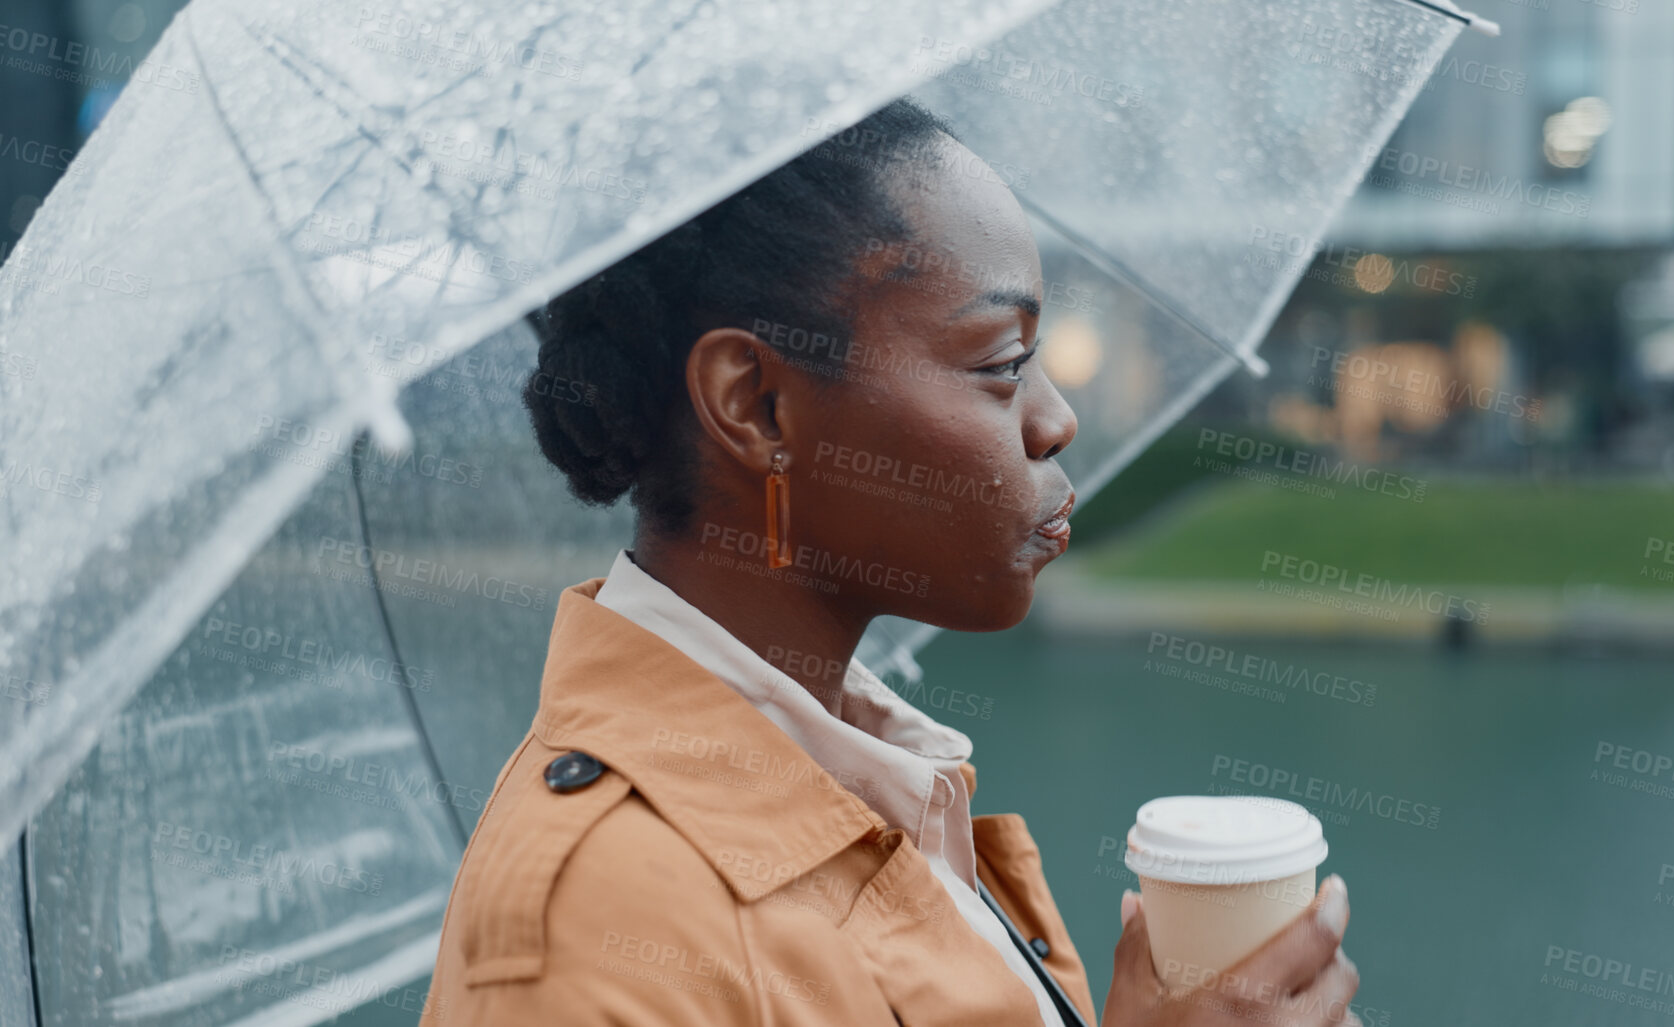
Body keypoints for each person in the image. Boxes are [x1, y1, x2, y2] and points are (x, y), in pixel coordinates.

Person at [420, 97, 1360, 1026]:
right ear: (754, 404)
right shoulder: (601, 913)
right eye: (999, 361)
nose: (1055, 418)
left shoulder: (876, 785)